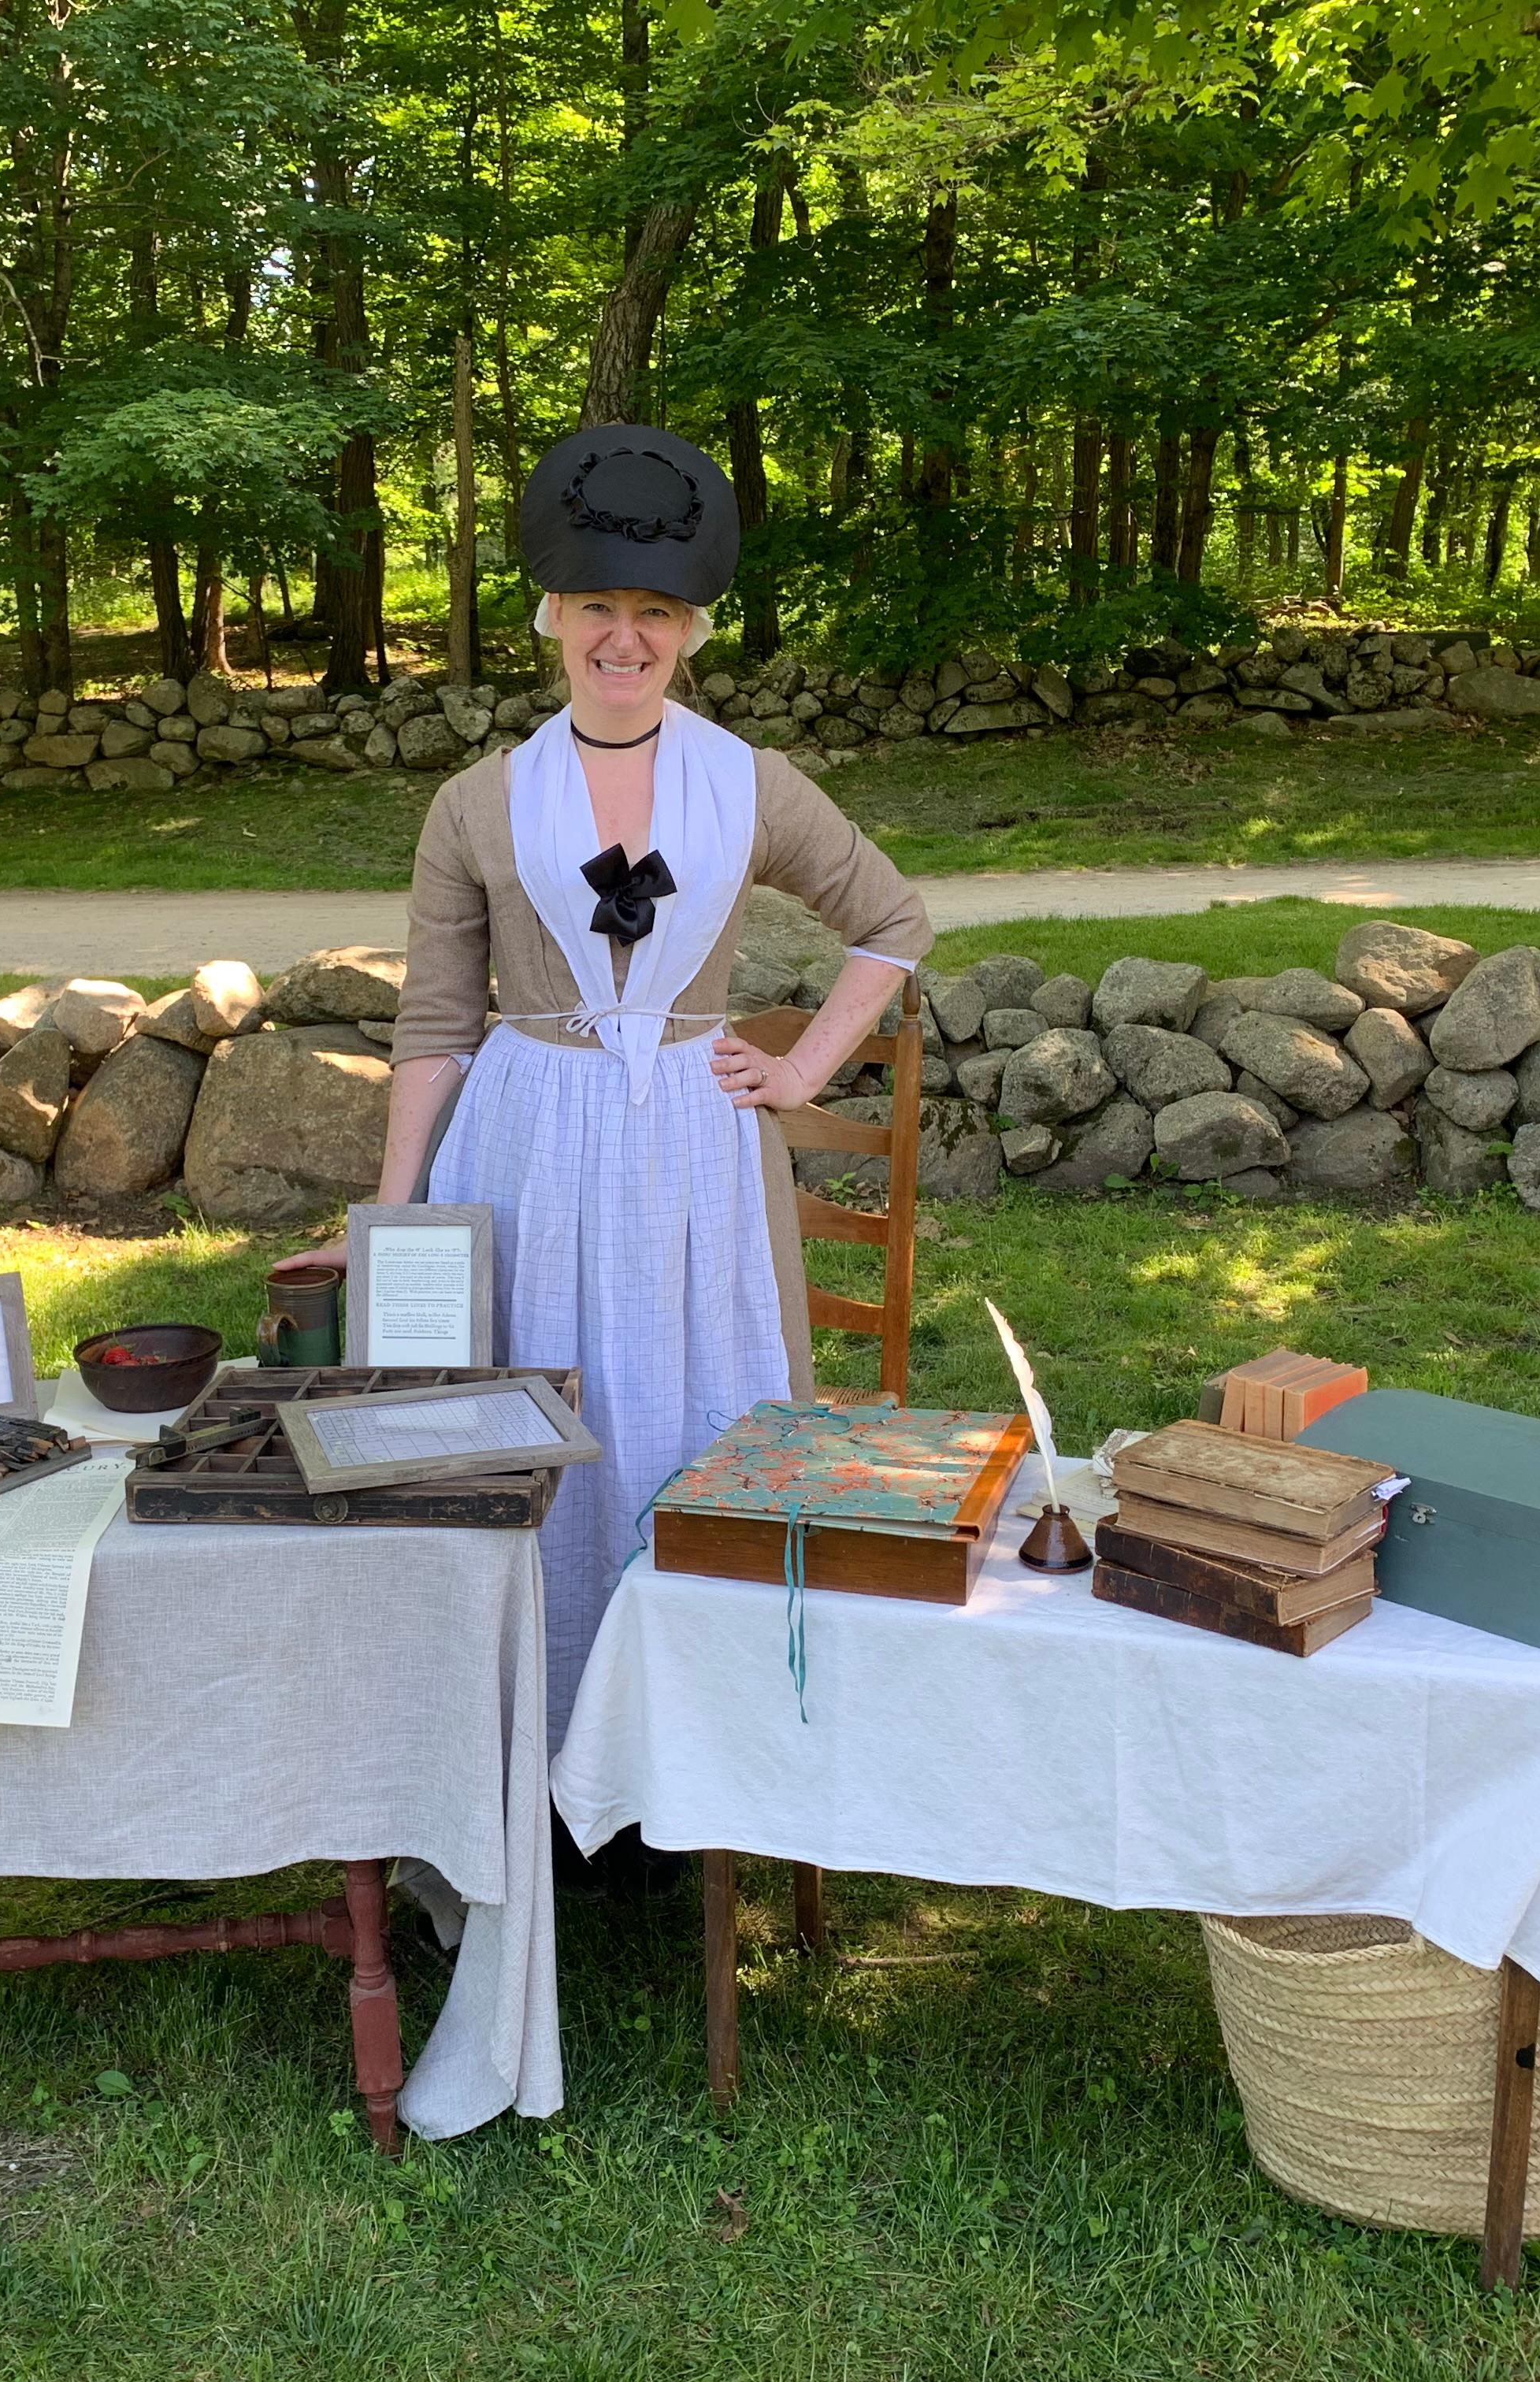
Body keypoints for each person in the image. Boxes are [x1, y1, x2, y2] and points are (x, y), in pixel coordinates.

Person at [363, 425, 932, 1742]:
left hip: (692, 1143)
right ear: (552, 617)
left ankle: (701, 1734)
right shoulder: (478, 803)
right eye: (600, 610)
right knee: (530, 1408)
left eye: (656, 615)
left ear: (690, 631)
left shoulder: (752, 785)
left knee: (695, 1403)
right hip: (527, 1143)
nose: (626, 639)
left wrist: (796, 1070)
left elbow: (892, 924)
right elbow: (438, 1024)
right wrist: (393, 1219)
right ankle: (539, 1725)